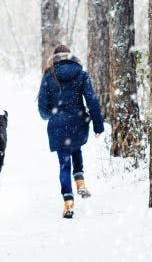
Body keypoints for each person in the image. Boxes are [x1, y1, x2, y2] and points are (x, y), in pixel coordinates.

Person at [37, 44, 104, 218]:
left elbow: (43, 110)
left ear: (55, 58)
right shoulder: (81, 75)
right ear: (70, 56)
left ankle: (68, 203)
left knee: (64, 164)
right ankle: (80, 183)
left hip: (58, 126)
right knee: (76, 147)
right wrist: (98, 125)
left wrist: (52, 114)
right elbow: (92, 101)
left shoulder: (48, 77)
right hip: (78, 123)